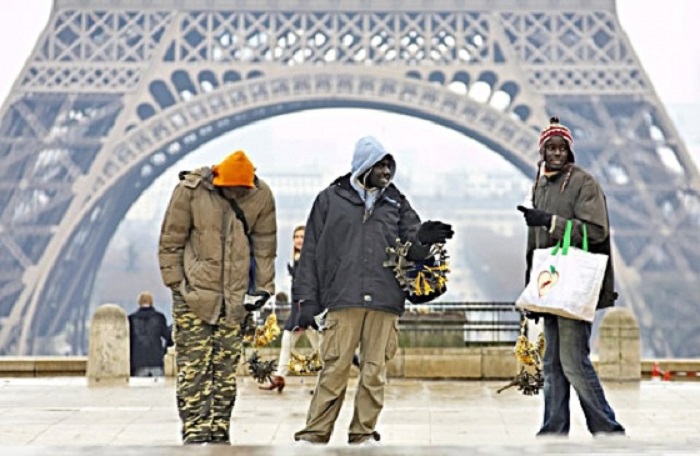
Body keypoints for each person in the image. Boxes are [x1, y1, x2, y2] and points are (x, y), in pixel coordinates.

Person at [293, 136, 453, 445]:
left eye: (388, 166)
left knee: (374, 373)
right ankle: (314, 433)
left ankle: (363, 432)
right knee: (334, 370)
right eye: (380, 165)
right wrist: (307, 300)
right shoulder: (329, 199)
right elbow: (311, 250)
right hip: (343, 297)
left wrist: (424, 238)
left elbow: (412, 247)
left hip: (385, 299)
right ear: (363, 166)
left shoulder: (397, 202)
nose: (386, 172)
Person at [158, 150, 277, 445]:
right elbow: (171, 240)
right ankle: (195, 430)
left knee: (225, 371)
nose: (237, 193)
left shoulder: (261, 196)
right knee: (194, 368)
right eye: (232, 189)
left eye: (242, 189)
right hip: (193, 296)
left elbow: (265, 247)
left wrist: (263, 289)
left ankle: (219, 428)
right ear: (218, 179)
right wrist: (176, 284)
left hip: (235, 300)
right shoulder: (190, 191)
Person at [516, 117, 625, 437]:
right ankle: (553, 429)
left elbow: (596, 231)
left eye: (562, 148)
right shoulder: (540, 185)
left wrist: (551, 222)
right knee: (552, 365)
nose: (556, 154)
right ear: (542, 151)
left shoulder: (584, 183)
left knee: (574, 362)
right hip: (551, 286)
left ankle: (607, 428)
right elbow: (535, 244)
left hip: (575, 286)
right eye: (551, 148)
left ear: (570, 151)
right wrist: (531, 290)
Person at [260, 225, 320, 392]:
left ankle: (326, 384)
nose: (299, 240)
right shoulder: (298, 258)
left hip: (309, 311)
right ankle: (280, 378)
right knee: (287, 341)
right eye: (296, 237)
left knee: (320, 349)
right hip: (297, 311)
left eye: (302, 237)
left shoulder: (311, 259)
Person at [128, 291, 173, 377]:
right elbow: (168, 337)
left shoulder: (131, 319)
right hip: (156, 361)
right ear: (151, 302)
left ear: (139, 302)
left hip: (138, 362)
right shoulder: (159, 317)